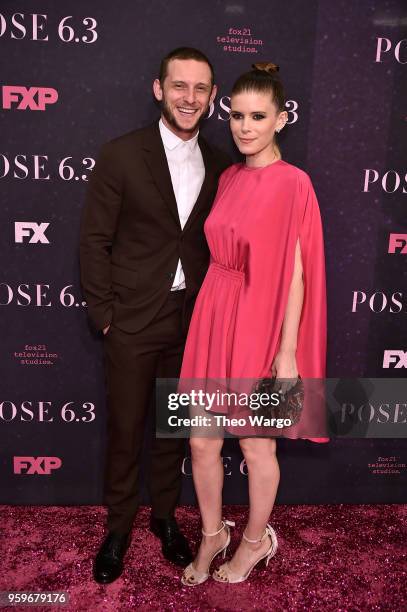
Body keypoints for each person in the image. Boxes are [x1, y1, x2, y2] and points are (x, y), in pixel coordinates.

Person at [79, 47, 231, 584]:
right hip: (130, 319)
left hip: (189, 322)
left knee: (173, 431)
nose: (189, 97)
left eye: (200, 88)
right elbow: (94, 240)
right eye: (179, 86)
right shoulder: (121, 154)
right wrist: (104, 315)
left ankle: (165, 520)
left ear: (213, 98)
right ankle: (118, 527)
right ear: (158, 89)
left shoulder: (220, 163)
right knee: (125, 430)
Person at [179, 62, 328, 586]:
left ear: (281, 119)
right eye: (237, 115)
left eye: (258, 116)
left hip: (260, 322)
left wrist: (286, 353)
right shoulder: (229, 176)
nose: (244, 126)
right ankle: (213, 533)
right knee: (201, 440)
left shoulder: (293, 184)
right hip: (215, 312)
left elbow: (297, 276)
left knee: (254, 444)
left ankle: (254, 541)